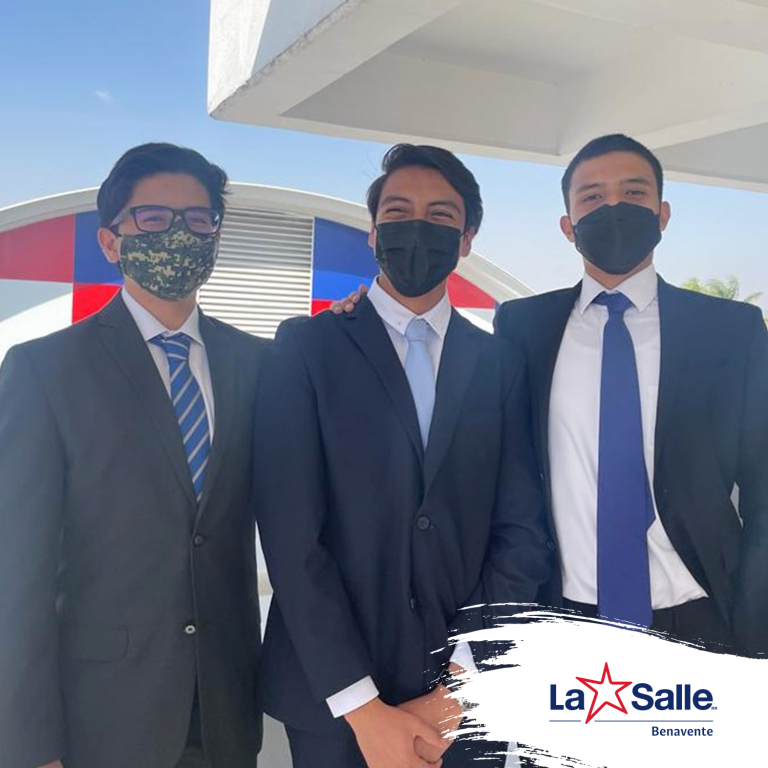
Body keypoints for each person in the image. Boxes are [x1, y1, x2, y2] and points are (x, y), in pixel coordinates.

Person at [254, 144, 552, 768]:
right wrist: (362, 708)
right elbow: (291, 537)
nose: (417, 226)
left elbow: (520, 531)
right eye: (397, 211)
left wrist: (459, 689)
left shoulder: (498, 363)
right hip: (334, 703)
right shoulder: (306, 348)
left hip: (467, 701)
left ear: (466, 240)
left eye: (440, 216)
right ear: (372, 232)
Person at [0, 143, 268, 768]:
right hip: (102, 717)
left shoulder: (259, 365)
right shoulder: (45, 370)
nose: (179, 233)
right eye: (153, 218)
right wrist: (28, 746)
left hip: (226, 708)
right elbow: (17, 571)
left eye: (198, 219)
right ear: (110, 241)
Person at [494, 134, 768, 655]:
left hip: (702, 618)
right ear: (568, 226)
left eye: (634, 193)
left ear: (663, 214)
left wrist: (757, 625)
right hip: (563, 623)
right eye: (593, 197)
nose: (614, 207)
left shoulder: (731, 331)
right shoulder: (522, 327)